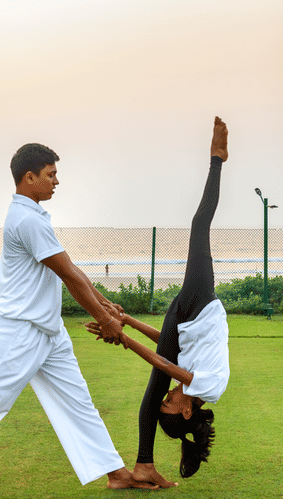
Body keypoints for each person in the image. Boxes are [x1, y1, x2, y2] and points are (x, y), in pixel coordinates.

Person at [0, 143, 154, 499]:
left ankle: (117, 473)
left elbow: (71, 271)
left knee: (78, 402)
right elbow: (70, 277)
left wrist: (107, 306)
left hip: (48, 332)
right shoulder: (26, 219)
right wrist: (105, 320)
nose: (57, 181)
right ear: (29, 178)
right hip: (18, 331)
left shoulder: (36, 217)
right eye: (50, 174)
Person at [87, 116, 231, 488]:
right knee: (200, 225)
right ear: (186, 409)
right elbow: (165, 361)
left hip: (184, 323)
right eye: (172, 402)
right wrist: (122, 337)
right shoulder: (209, 386)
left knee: (153, 385)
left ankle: (143, 466)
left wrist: (128, 322)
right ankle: (217, 159)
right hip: (200, 307)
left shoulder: (190, 389)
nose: (171, 395)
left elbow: (166, 352)